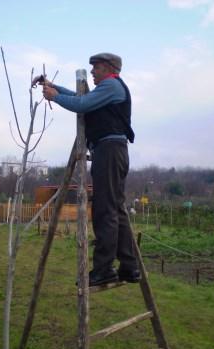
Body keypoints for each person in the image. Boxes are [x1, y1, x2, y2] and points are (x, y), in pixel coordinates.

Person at [32, 53, 140, 286]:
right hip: (113, 150)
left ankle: (104, 269)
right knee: (116, 209)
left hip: (109, 151)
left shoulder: (112, 85)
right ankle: (129, 267)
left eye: (96, 68)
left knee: (105, 210)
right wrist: (52, 86)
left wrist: (55, 97)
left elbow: (80, 104)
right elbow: (81, 97)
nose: (92, 72)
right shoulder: (106, 90)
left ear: (109, 69)